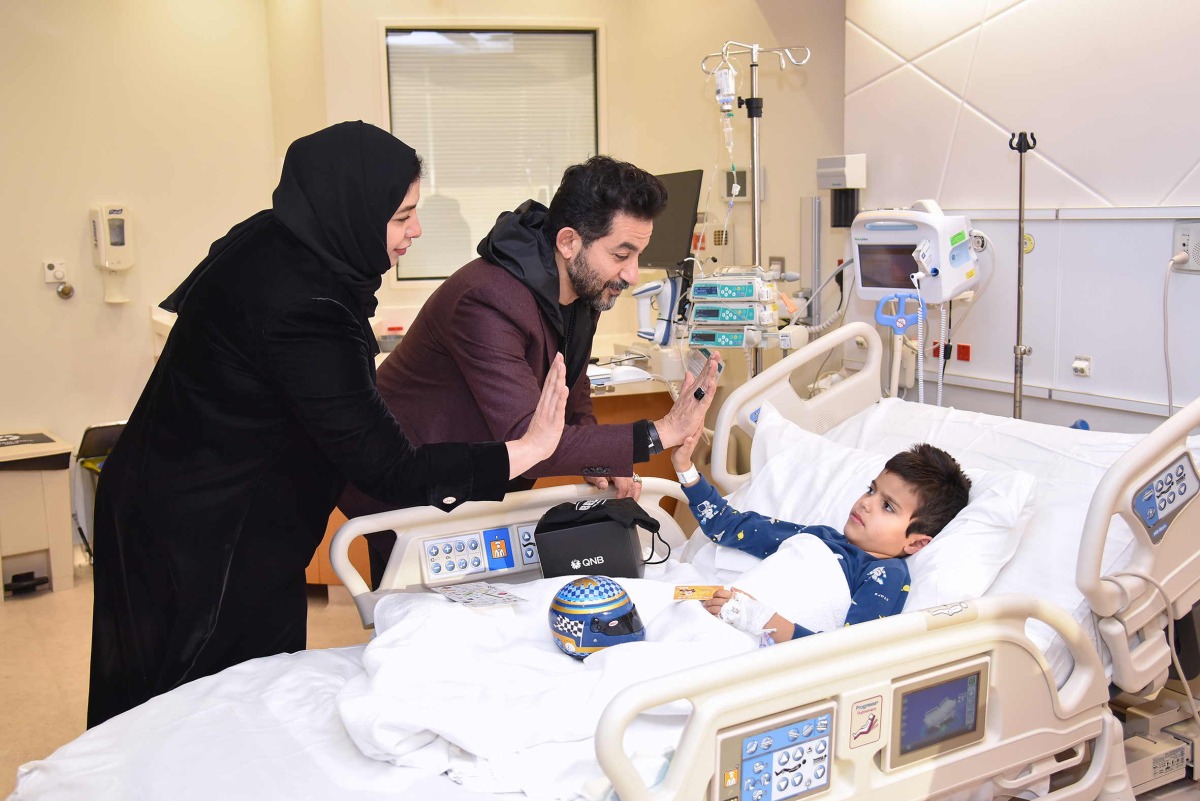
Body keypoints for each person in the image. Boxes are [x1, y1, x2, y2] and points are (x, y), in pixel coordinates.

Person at [87, 122, 569, 728]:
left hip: (165, 499)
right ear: (353, 212)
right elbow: (388, 468)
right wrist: (525, 450)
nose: (416, 231)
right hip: (208, 537)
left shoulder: (274, 238)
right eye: (403, 216)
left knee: (168, 697)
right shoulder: (308, 309)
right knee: (204, 708)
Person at [338, 155, 721, 582]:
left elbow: (570, 386)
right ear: (569, 241)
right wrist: (658, 433)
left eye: (637, 255)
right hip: (411, 487)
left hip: (474, 484)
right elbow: (529, 442)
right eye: (621, 254)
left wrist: (601, 459)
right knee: (421, 614)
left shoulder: (579, 288)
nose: (631, 274)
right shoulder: (488, 300)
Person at [670, 432, 972, 643]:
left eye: (888, 506)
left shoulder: (884, 574)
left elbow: (845, 653)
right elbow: (729, 525)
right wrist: (686, 470)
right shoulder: (819, 537)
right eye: (871, 490)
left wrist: (758, 618)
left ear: (916, 542)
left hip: (741, 645)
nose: (866, 503)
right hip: (704, 616)